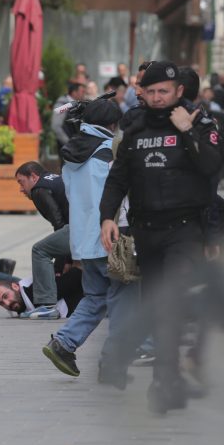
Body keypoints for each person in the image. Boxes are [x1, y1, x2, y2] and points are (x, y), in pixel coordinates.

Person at [99, 61, 224, 413]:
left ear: (178, 92)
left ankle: (163, 379)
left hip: (185, 230)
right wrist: (106, 216)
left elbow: (213, 169)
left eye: (163, 92)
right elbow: (117, 178)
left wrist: (187, 132)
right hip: (147, 231)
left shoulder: (196, 124)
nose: (156, 98)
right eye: (149, 91)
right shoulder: (135, 127)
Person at [42, 99, 132, 379]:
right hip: (111, 236)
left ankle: (64, 343)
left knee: (96, 297)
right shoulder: (108, 152)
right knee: (123, 299)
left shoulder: (70, 155)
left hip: (84, 241)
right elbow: (119, 197)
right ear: (112, 124)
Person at [13, 161, 71, 320]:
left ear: (33, 177)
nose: (21, 189)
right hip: (88, 224)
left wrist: (65, 260)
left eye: (21, 182)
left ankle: (47, 305)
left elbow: (59, 224)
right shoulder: (54, 179)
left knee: (40, 250)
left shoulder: (39, 190)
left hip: (79, 228)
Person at [0, 267, 84, 318]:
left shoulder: (36, 291)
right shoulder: (25, 304)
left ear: (15, 286)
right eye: (1, 303)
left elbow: (76, 275)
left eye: (5, 296)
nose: (7, 303)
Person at [52, 82, 86, 148]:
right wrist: (68, 143)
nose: (84, 94)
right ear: (74, 92)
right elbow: (56, 126)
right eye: (82, 92)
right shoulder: (64, 105)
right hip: (67, 148)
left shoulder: (79, 104)